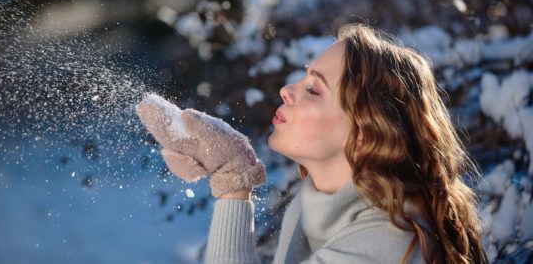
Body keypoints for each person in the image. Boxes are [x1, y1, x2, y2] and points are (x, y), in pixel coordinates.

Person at [136, 24, 488, 264]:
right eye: (303, 78)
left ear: (365, 132)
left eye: (313, 89)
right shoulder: (315, 207)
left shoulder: (387, 245)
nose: (286, 91)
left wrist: (233, 180)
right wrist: (234, 178)